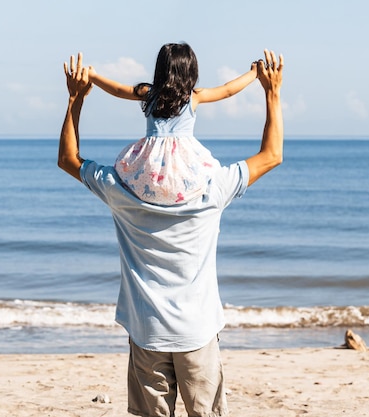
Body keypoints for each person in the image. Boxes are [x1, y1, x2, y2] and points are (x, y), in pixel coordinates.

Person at [58, 49, 283, 417]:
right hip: (197, 330)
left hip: (147, 330)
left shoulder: (120, 187)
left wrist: (76, 96)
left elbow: (69, 158)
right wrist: (269, 90)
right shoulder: (213, 186)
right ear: (192, 79)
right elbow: (271, 154)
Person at [87, 43, 258, 205]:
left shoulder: (149, 93)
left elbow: (117, 90)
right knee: (205, 183)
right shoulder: (194, 96)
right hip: (184, 162)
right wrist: (253, 74)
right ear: (190, 71)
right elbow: (227, 90)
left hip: (150, 163)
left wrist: (94, 77)